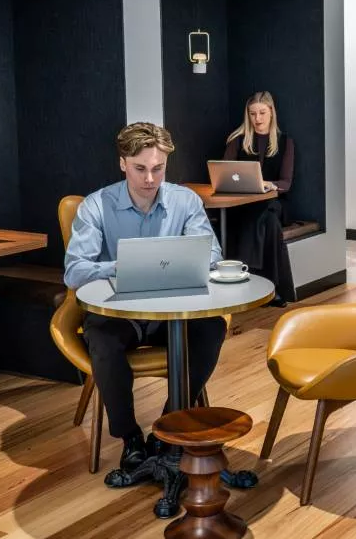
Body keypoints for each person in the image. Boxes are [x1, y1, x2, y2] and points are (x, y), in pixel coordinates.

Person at [64, 121, 227, 488]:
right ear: (123, 163)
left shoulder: (185, 201)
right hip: (117, 314)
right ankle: (130, 438)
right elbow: (74, 273)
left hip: (172, 312)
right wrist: (121, 266)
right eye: (140, 168)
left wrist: (196, 258)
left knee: (212, 326)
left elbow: (213, 254)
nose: (150, 178)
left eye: (159, 168)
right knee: (102, 340)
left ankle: (168, 428)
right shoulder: (96, 206)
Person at [223, 91, 296, 306]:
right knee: (268, 222)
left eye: (262, 113)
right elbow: (225, 174)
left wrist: (269, 185)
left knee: (267, 213)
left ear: (272, 113)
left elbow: (286, 182)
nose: (257, 119)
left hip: (273, 201)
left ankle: (251, 279)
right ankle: (273, 288)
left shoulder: (285, 142)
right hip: (244, 204)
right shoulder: (237, 140)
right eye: (253, 113)